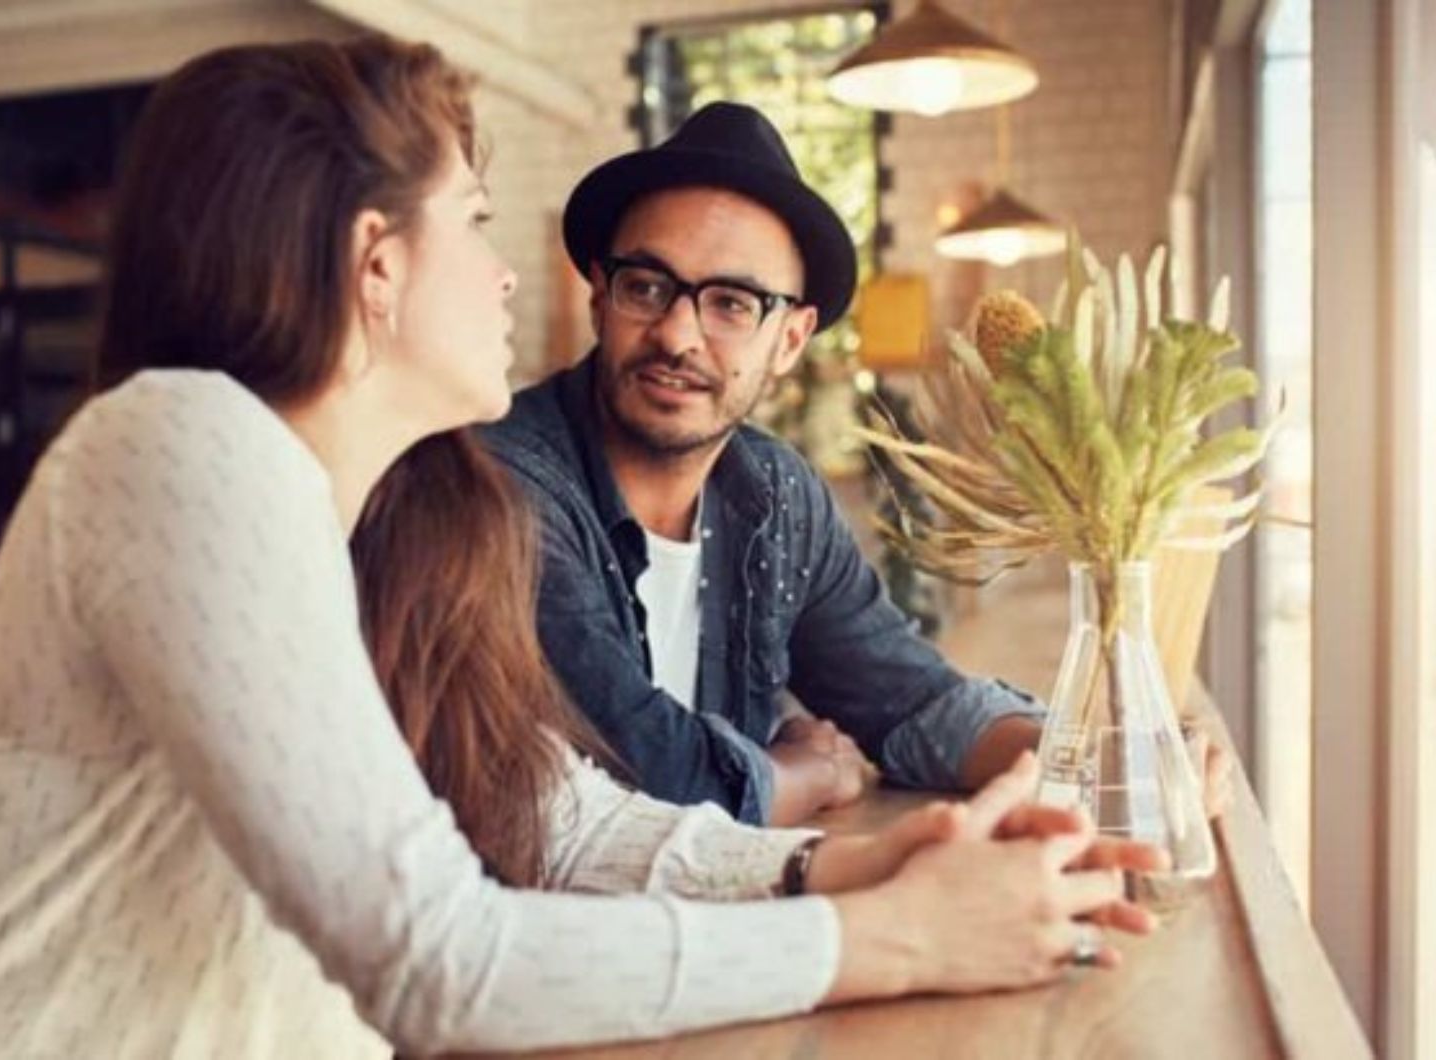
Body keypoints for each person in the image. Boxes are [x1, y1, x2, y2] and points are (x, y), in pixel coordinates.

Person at [0, 35, 1162, 1059]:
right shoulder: (183, 449)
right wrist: (885, 938)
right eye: (472, 221)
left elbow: (552, 818)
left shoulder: (404, 511)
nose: (516, 275)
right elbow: (439, 956)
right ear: (376, 265)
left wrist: (839, 862)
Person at [480, 102, 1232, 827]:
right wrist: (805, 775)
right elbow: (635, 777)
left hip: (737, 926)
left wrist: (1100, 761)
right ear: (600, 299)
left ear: (791, 340)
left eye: (732, 303)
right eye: (646, 287)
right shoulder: (500, 486)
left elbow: (912, 701)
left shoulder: (775, 495)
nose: (678, 333)